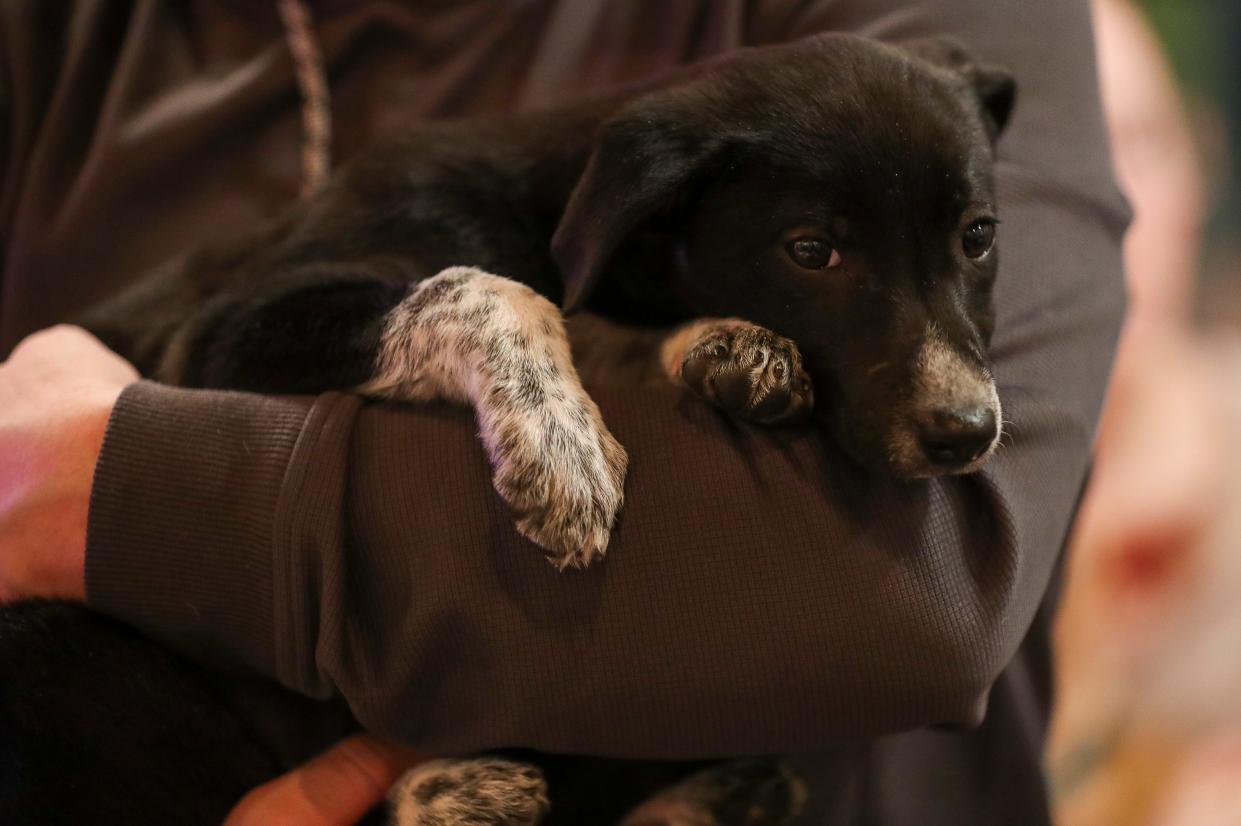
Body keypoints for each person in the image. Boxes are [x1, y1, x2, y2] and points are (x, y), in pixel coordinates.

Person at [0, 1, 1128, 823]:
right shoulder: (57, 37)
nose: (951, 378)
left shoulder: (915, 80)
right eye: (815, 252)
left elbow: (902, 596)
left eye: (973, 244)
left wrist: (128, 486)